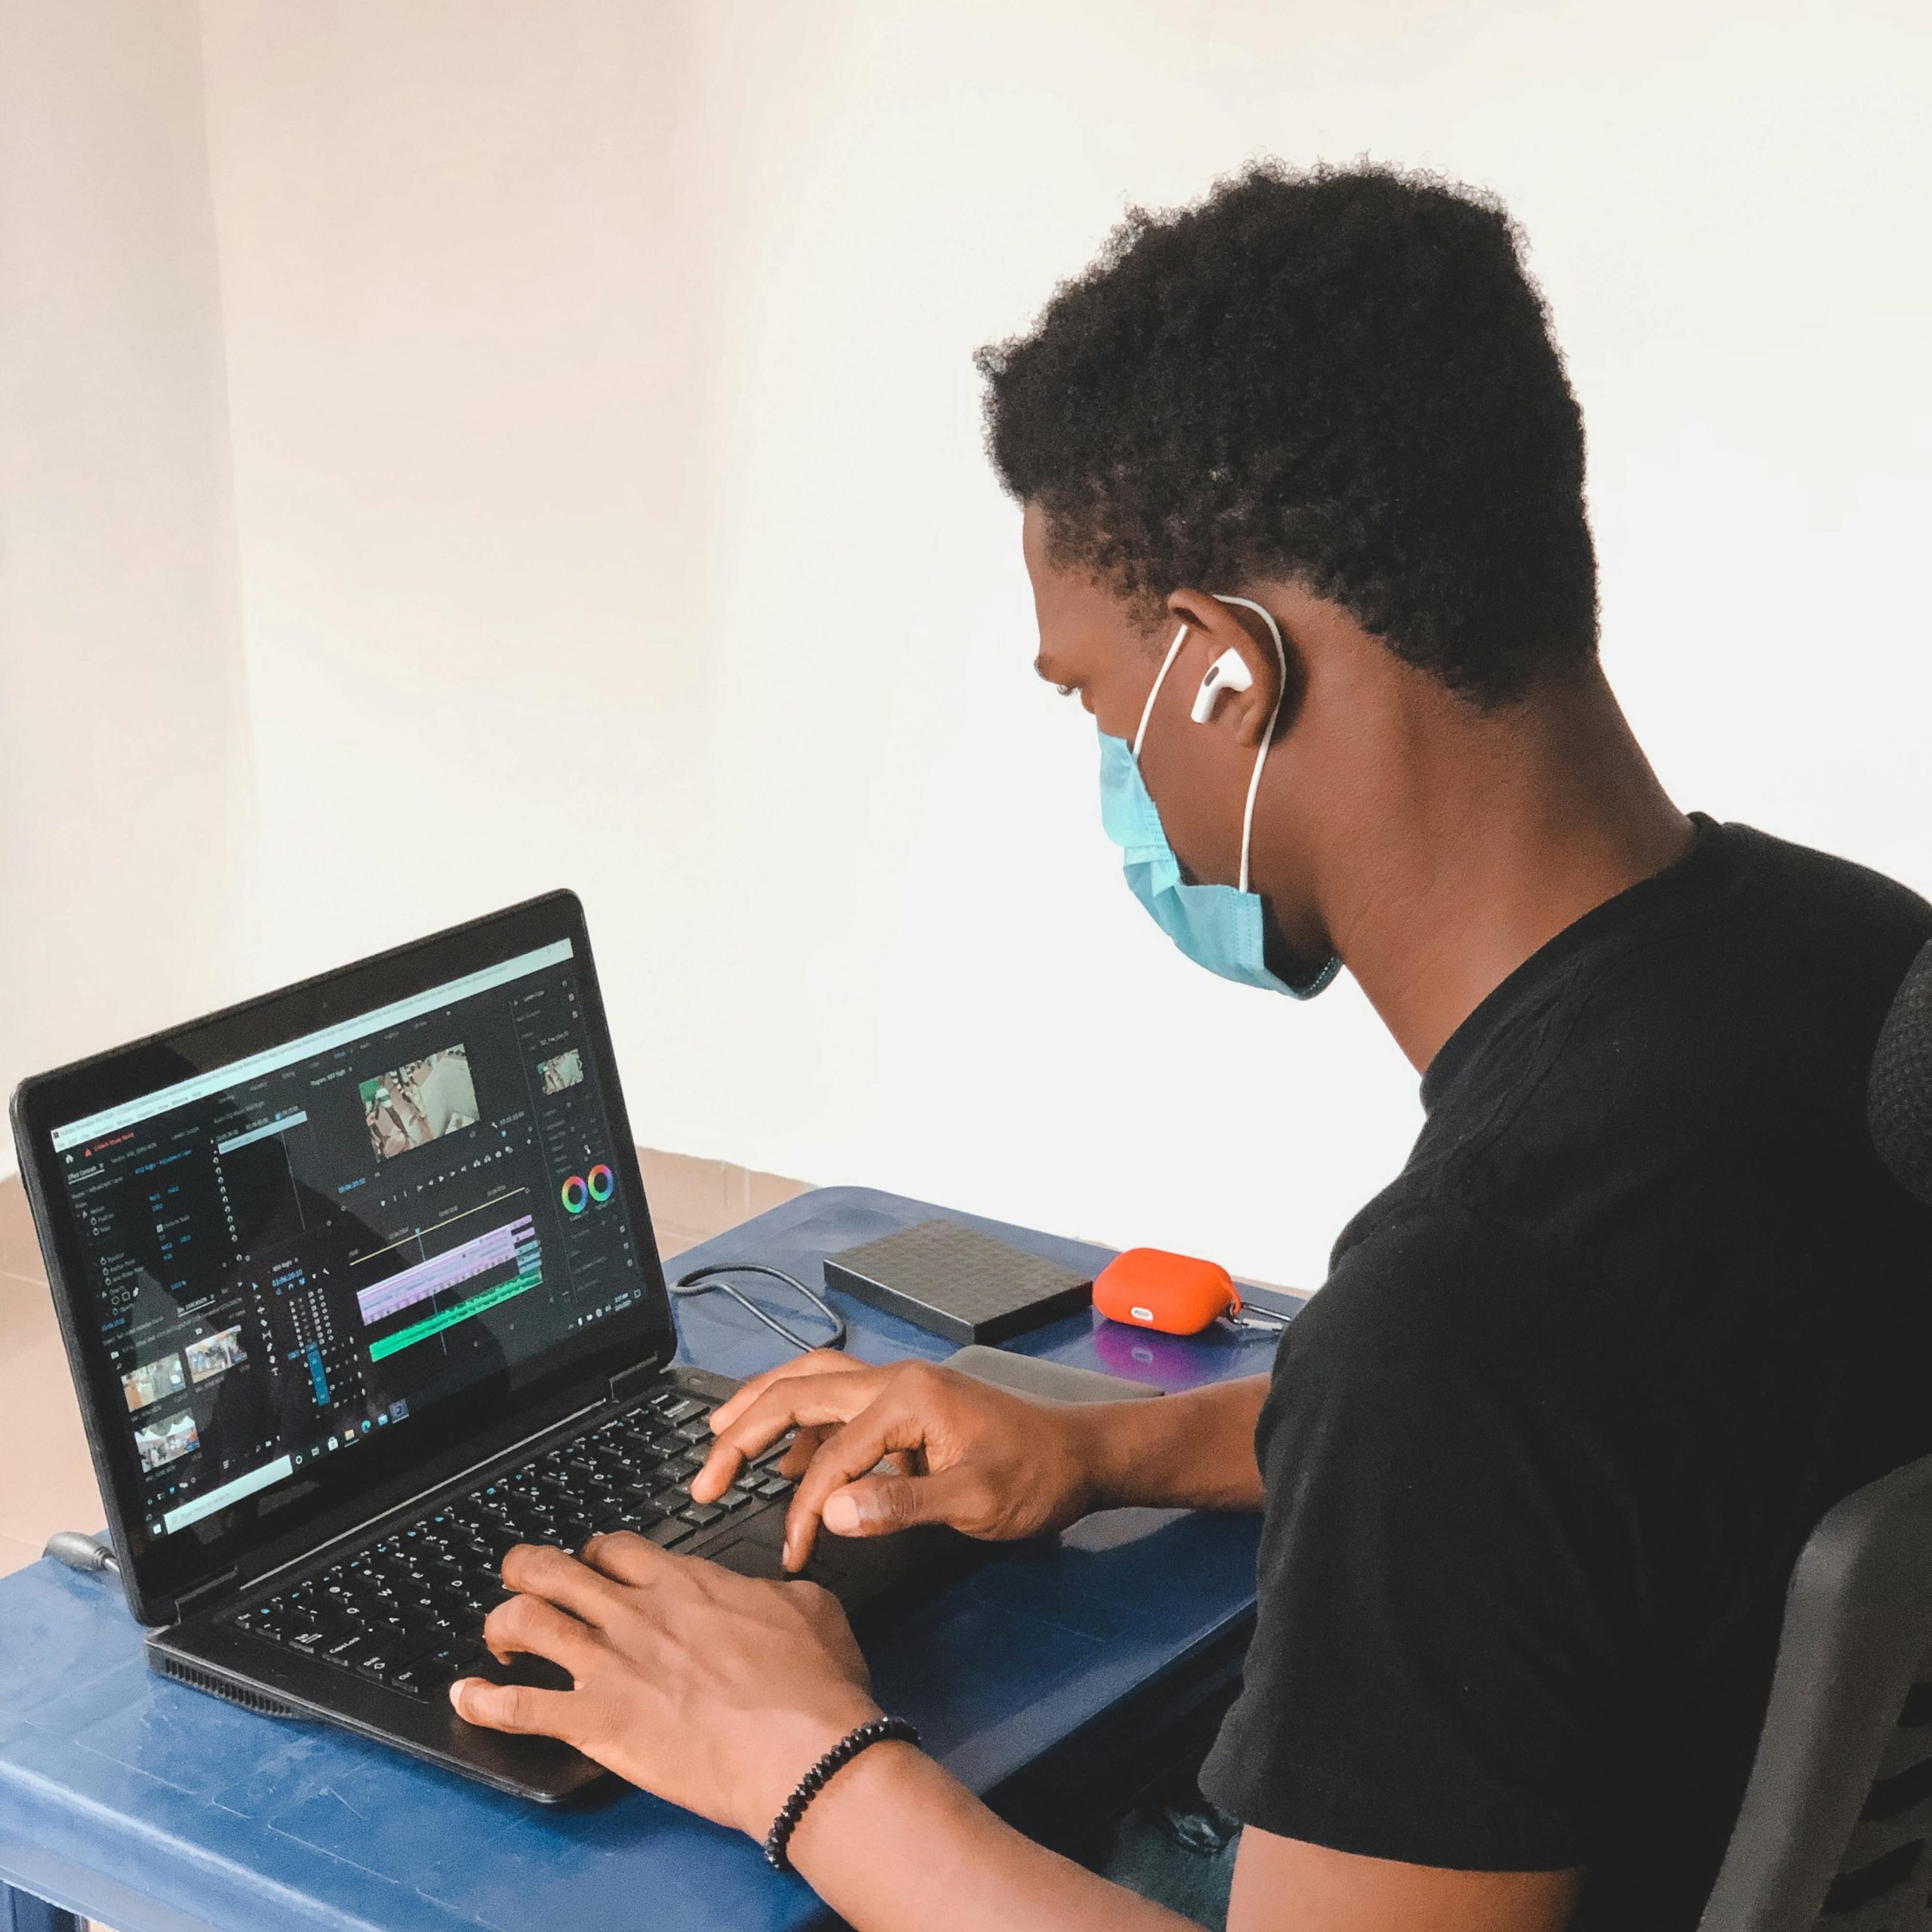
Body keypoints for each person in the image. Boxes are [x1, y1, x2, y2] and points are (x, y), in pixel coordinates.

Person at [445, 162, 1932, 1930]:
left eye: (1091, 696)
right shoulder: (1853, 961)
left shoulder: (1460, 1311)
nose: (1112, 772)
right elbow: (1610, 1445)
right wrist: (1111, 1442)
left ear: (1226, 671)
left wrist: (802, 1756)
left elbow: (1478, 1407)